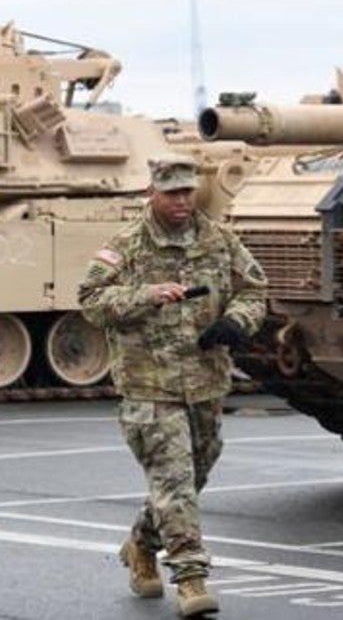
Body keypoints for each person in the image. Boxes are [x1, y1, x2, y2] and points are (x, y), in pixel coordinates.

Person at [78, 153, 267, 617]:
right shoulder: (128, 245)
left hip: (205, 381)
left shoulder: (219, 239)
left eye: (188, 191)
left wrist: (237, 322)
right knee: (175, 480)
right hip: (150, 385)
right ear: (152, 193)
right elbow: (90, 300)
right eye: (173, 193)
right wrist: (146, 295)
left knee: (194, 473)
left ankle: (141, 544)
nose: (183, 201)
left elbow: (254, 288)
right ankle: (190, 577)